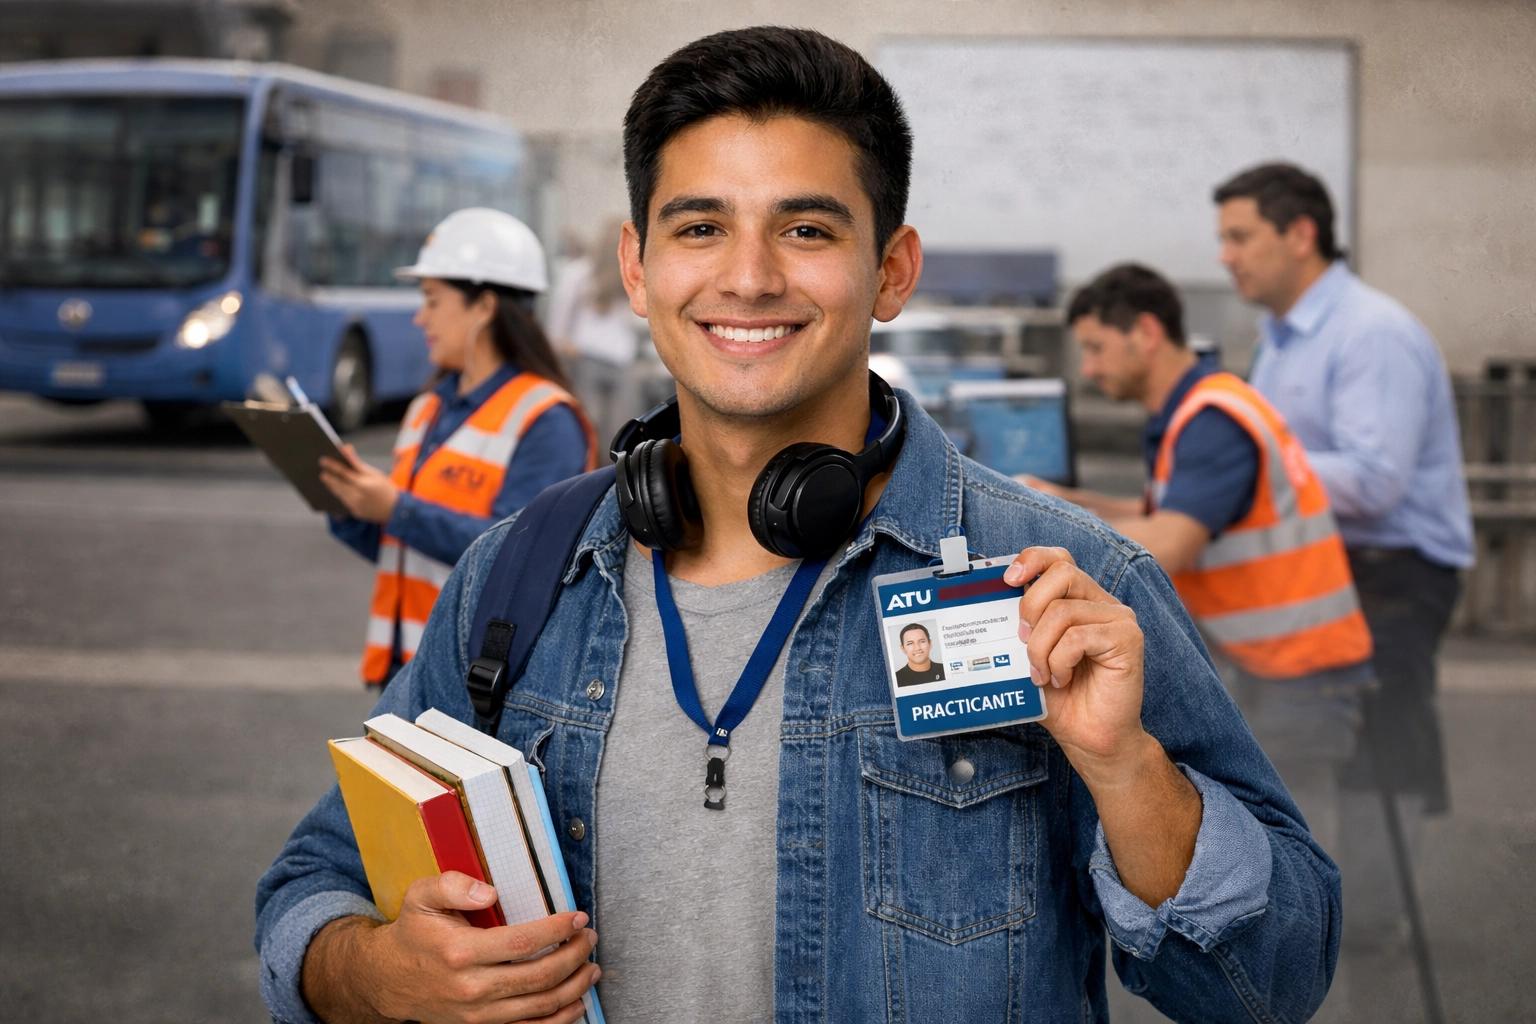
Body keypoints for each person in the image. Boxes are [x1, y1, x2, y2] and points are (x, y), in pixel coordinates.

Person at [257, 28, 1343, 1024]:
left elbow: (1273, 983)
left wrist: (1127, 770)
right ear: (638, 268)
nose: (748, 276)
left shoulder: (1058, 583)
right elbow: (309, 889)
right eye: (700, 227)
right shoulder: (522, 573)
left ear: (893, 270)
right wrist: (378, 972)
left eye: (807, 227)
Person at [1213, 163, 1475, 940]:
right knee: (1313, 735)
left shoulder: (1371, 333)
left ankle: (1371, 926)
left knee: (1382, 735)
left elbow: (1374, 480)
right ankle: (1328, 909)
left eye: (1240, 236)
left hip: (1392, 571)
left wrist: (1245, 468)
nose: (1226, 255)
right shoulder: (1280, 338)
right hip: (1326, 567)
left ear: (1300, 235)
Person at [1033, 262, 1373, 859]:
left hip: (1298, 668)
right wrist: (1065, 501)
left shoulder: (1213, 420)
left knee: (1294, 855)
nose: (1086, 368)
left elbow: (1166, 543)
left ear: (1145, 332)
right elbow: (1151, 514)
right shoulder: (1198, 409)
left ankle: (1327, 951)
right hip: (1277, 662)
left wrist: (1051, 527)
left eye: (1095, 348)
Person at [320, 207, 598, 688]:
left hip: (479, 686)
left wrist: (396, 509)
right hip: (406, 674)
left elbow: (524, 559)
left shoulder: (546, 420)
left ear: (485, 306)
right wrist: (351, 506)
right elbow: (404, 551)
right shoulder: (428, 408)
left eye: (432, 300)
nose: (419, 316)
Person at [546, 217, 646, 445]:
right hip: (594, 359)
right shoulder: (581, 274)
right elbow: (558, 322)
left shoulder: (622, 277)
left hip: (609, 362)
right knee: (601, 429)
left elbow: (558, 320)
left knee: (607, 430)